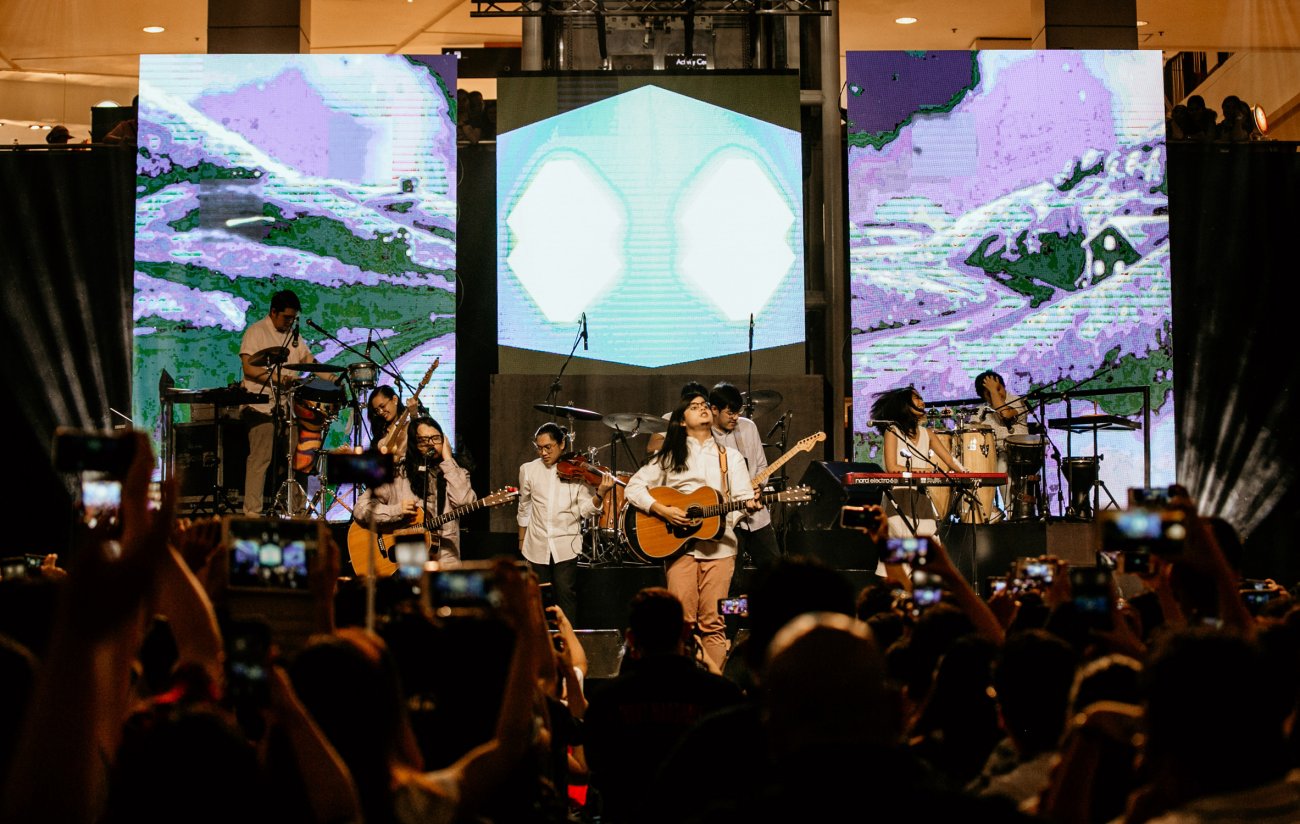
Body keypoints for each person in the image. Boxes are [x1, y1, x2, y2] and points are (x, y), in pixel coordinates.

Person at [582, 587, 743, 823]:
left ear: (631, 638)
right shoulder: (722, 695)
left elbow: (596, 766)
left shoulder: (607, 699)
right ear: (686, 631)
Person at [624, 390, 759, 671]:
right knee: (681, 622)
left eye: (704, 405)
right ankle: (681, 681)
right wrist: (663, 510)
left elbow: (742, 499)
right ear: (682, 421)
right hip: (678, 547)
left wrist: (740, 510)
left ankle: (713, 683)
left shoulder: (730, 457)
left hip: (721, 549)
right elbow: (633, 488)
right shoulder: (669, 456)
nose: (702, 408)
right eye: (694, 406)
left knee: (714, 621)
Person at [518, 422, 614, 624]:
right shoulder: (528, 470)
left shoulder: (577, 471)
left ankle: (568, 638)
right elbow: (524, 506)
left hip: (565, 543)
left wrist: (600, 494)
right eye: (539, 448)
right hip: (536, 543)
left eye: (548, 447)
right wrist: (521, 539)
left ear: (562, 444)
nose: (543, 453)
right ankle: (541, 639)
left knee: (565, 595)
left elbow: (585, 510)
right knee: (538, 599)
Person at [354, 416, 474, 569]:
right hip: (404, 562)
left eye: (436, 438)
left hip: (445, 560)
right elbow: (360, 509)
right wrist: (396, 510)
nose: (431, 444)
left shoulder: (456, 473)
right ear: (414, 444)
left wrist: (448, 460)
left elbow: (464, 502)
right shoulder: (398, 474)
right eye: (423, 440)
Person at [239, 289, 315, 516]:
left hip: (286, 407)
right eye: (286, 317)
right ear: (273, 312)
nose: (290, 322)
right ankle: (252, 513)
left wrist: (330, 377)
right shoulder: (256, 331)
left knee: (299, 457)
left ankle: (299, 511)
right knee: (261, 458)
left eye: (293, 318)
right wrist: (279, 380)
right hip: (259, 405)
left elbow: (308, 361)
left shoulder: (293, 337)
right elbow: (249, 368)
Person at [870, 385, 966, 538]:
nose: (922, 402)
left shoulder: (927, 433)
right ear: (904, 405)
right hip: (897, 498)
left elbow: (950, 459)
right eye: (917, 398)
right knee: (900, 546)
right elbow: (892, 467)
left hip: (920, 496)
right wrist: (924, 471)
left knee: (929, 544)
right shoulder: (893, 431)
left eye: (921, 398)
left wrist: (966, 473)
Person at [708, 381, 780, 571]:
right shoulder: (704, 437)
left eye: (738, 412)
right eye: (730, 413)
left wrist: (759, 486)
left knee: (776, 574)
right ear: (714, 409)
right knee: (733, 578)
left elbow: (762, 466)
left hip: (757, 518)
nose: (735, 417)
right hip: (726, 521)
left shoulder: (748, 427)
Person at [974, 370, 1031, 519]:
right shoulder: (981, 411)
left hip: (1017, 454)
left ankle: (1013, 515)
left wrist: (993, 391)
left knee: (1002, 465)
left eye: (998, 389)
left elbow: (1005, 414)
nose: (996, 394)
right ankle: (987, 511)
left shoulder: (1017, 401)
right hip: (991, 454)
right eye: (989, 392)